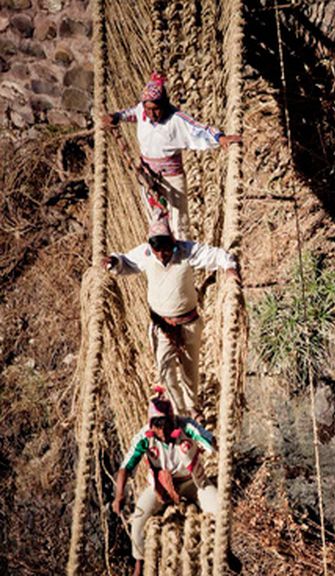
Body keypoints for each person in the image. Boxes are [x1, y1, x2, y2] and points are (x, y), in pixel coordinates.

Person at [103, 215, 240, 415]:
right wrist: (113, 261)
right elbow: (125, 262)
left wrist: (229, 268)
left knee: (190, 371)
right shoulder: (146, 253)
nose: (161, 255)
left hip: (188, 322)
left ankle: (192, 407)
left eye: (165, 250)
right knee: (165, 370)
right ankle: (180, 411)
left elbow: (216, 255)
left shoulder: (186, 251)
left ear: (173, 243)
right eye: (157, 250)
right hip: (162, 326)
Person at [102, 71, 242, 240]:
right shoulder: (142, 111)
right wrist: (116, 117)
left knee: (179, 222)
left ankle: (183, 260)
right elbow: (131, 113)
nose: (152, 114)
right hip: (148, 176)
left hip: (172, 177)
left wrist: (220, 138)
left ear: (165, 105)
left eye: (156, 109)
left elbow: (199, 129)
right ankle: (160, 256)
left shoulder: (176, 119)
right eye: (148, 109)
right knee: (155, 220)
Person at [112, 387, 220, 576]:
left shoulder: (187, 427)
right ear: (151, 425)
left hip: (194, 482)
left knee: (219, 509)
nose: (162, 431)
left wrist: (215, 443)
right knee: (138, 519)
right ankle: (139, 561)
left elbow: (207, 438)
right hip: (160, 488)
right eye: (157, 426)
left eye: (166, 425)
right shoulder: (144, 438)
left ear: (173, 420)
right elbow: (125, 468)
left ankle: (225, 550)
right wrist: (119, 495)